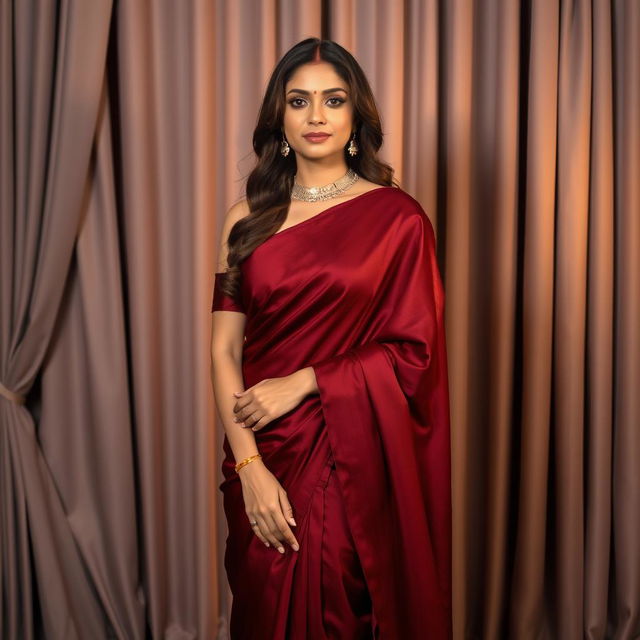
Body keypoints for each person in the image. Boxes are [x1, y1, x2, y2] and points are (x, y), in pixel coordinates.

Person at [210, 37, 452, 640]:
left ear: (354, 119)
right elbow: (223, 350)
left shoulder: (398, 220)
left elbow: (414, 353)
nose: (316, 115)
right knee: (264, 608)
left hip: (349, 455)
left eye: (333, 99)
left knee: (339, 604)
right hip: (264, 448)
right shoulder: (245, 218)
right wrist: (250, 467)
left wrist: (306, 381)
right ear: (281, 119)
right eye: (299, 101)